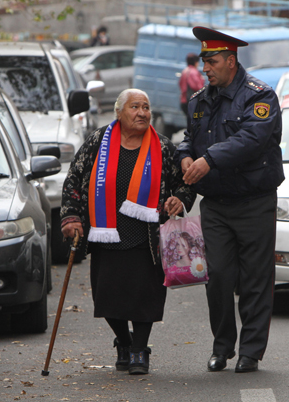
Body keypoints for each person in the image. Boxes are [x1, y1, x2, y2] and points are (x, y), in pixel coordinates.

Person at [61, 88, 195, 375]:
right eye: (135, 107)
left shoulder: (162, 146)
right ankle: (124, 341)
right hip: (105, 233)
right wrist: (71, 217)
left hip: (147, 237)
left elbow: (184, 183)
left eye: (146, 107)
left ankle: (139, 350)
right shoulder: (98, 141)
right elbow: (74, 179)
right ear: (119, 112)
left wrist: (179, 199)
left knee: (145, 296)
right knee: (107, 297)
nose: (142, 113)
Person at [176, 27, 284, 373]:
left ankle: (251, 351)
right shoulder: (198, 100)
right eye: (204, 61)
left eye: (212, 61)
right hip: (217, 206)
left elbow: (251, 139)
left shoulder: (260, 96)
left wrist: (209, 159)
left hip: (254, 202)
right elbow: (188, 140)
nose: (205, 68)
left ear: (231, 61)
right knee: (219, 277)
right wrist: (184, 158)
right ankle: (222, 347)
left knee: (255, 279)